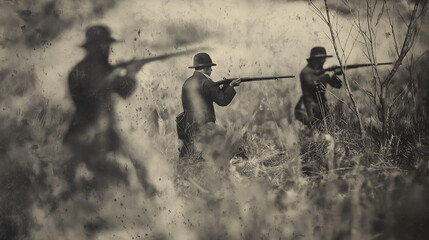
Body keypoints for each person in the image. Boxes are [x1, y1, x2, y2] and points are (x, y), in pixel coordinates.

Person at [63, 25, 156, 197]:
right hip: (100, 134)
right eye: (105, 45)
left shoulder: (75, 71)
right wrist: (131, 73)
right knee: (130, 173)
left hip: (76, 131)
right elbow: (125, 90)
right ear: (100, 46)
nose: (108, 49)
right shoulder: (102, 71)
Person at [178, 53, 241, 158]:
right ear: (205, 67)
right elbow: (223, 101)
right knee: (232, 139)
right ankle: (240, 162)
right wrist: (231, 86)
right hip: (205, 126)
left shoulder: (187, 82)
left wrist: (225, 86)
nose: (211, 70)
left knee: (187, 158)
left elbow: (210, 94)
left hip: (187, 127)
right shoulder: (207, 83)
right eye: (210, 67)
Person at [295, 46, 342, 128]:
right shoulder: (305, 72)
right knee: (314, 135)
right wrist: (328, 75)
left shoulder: (321, 72)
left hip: (321, 109)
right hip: (309, 111)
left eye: (323, 59)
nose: (323, 61)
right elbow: (313, 84)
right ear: (313, 60)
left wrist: (335, 74)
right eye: (320, 59)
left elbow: (337, 85)